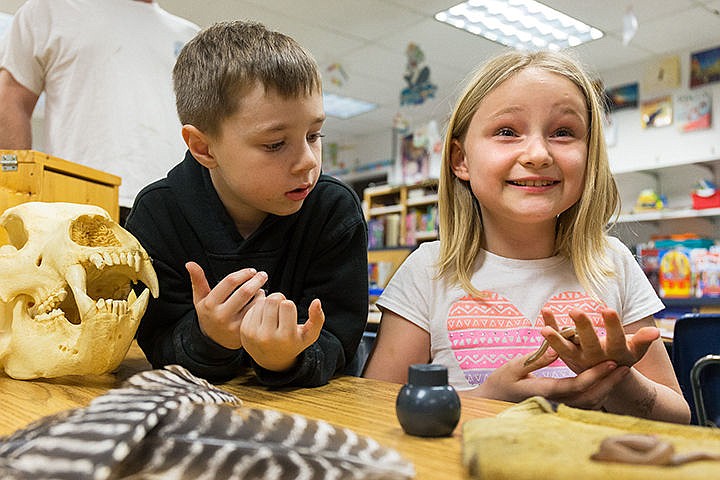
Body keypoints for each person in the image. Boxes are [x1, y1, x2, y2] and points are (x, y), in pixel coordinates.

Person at [363, 50, 690, 423]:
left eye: (563, 133)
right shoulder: (429, 270)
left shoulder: (612, 263)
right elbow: (375, 413)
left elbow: (678, 417)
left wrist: (617, 380)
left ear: (590, 156)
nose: (537, 154)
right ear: (461, 160)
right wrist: (488, 398)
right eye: (507, 132)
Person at [124, 21, 368, 387]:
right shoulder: (157, 215)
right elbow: (161, 348)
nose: (309, 161)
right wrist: (208, 338)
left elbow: (339, 342)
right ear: (204, 147)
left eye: (314, 135)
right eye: (274, 144)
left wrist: (288, 359)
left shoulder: (334, 210)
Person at [0, 0, 200, 222]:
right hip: (77, 202)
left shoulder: (191, 36)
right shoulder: (49, 9)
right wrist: (21, 198)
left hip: (178, 207)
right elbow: (10, 101)